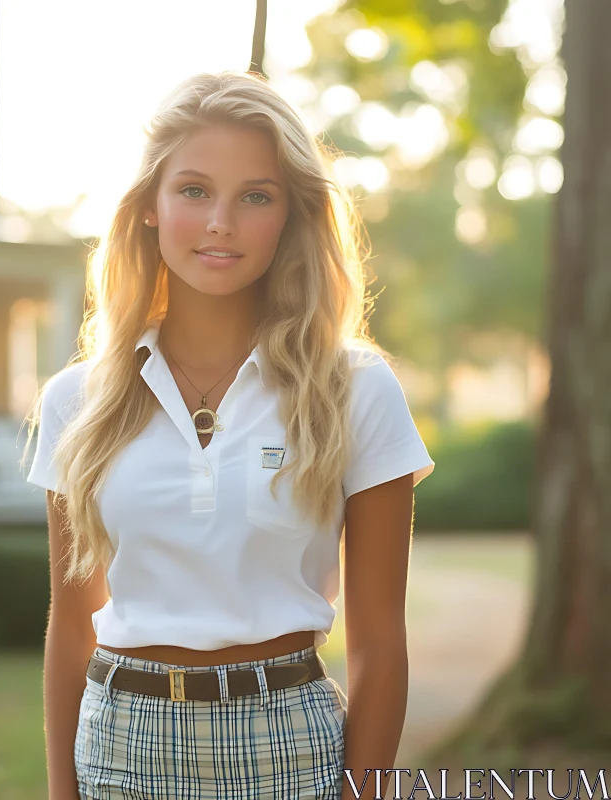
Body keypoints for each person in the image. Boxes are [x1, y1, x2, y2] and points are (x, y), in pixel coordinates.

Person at [22, 70, 435, 800]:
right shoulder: (75, 401)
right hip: (120, 745)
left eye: (255, 195)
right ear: (150, 206)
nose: (221, 221)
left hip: (291, 746)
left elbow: (378, 645)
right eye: (193, 190)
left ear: (290, 215)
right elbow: (71, 631)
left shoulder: (355, 389)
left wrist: (361, 793)